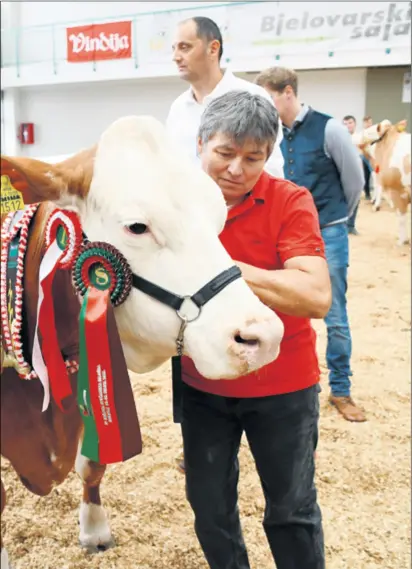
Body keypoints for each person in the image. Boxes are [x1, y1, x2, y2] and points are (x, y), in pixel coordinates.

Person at [180, 90, 331, 569]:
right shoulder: (178, 204)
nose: (237, 170)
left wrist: (227, 273)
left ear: (270, 156)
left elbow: (315, 295)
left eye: (254, 158)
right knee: (209, 508)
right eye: (224, 153)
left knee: (291, 511)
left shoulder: (289, 200)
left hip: (283, 385)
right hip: (202, 382)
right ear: (201, 143)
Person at [256, 67, 366, 422]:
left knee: (333, 314)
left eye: (268, 96)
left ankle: (342, 389)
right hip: (283, 237)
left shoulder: (329, 127)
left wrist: (337, 222)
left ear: (287, 92)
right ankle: (281, 385)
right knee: (281, 307)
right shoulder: (267, 134)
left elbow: (354, 180)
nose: (265, 105)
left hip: (327, 231)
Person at [166, 16, 284, 178]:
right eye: (174, 48)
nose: (176, 57)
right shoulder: (178, 108)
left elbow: (271, 170)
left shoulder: (254, 98)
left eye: (184, 47)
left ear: (213, 49)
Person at [343, 114, 373, 203]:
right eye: (345, 124)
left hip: (359, 160)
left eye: (350, 123)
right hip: (346, 163)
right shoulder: (340, 137)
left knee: (363, 179)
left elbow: (365, 149)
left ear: (355, 124)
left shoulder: (360, 136)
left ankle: (365, 194)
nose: (348, 125)